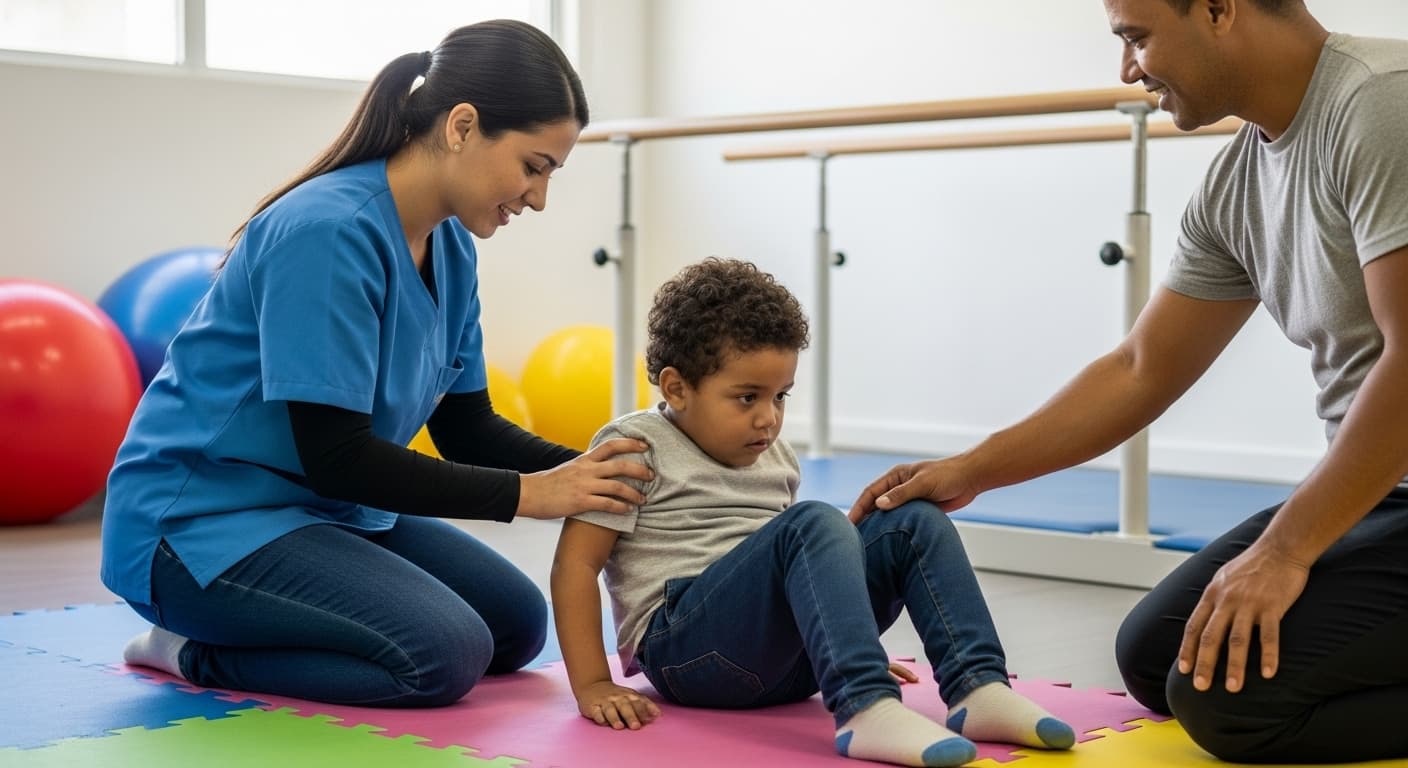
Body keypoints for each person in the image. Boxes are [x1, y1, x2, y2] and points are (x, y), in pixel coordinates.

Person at [849, 1, 1408, 762]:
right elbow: (1140, 369)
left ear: (1218, 9)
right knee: (1159, 655)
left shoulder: (1383, 100)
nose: (1127, 69)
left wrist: (1284, 553)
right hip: (1389, 491)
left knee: (1232, 706)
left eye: (1136, 38)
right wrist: (968, 470)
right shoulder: (1237, 183)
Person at [100, 19, 652, 708]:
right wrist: (530, 494)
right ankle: (192, 653)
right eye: (534, 166)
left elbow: (468, 428)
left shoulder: (451, 248)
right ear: (461, 126)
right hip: (200, 524)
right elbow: (338, 455)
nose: (539, 197)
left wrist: (613, 474)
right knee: (441, 657)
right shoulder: (327, 231)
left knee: (515, 629)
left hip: (319, 508)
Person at [550, 258, 1074, 768]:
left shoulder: (773, 454)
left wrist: (843, 641)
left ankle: (977, 688)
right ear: (677, 387)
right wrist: (593, 681)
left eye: (781, 396)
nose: (769, 418)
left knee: (913, 517)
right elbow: (576, 565)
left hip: (784, 664)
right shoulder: (632, 448)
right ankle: (865, 706)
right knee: (815, 522)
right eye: (747, 397)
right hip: (689, 654)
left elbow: (797, 575)